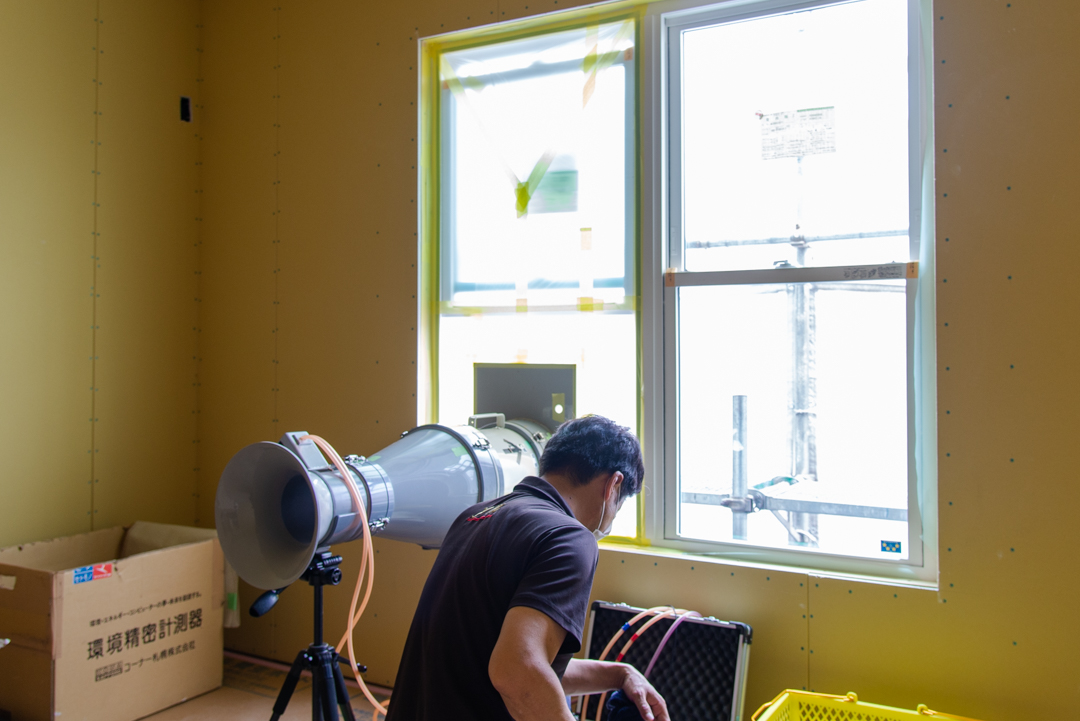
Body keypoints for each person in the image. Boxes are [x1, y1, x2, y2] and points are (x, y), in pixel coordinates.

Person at [384, 415, 669, 721]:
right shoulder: (569, 537)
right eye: (619, 506)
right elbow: (516, 672)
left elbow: (521, 663)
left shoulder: (474, 517)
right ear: (613, 486)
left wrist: (619, 674)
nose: (610, 521)